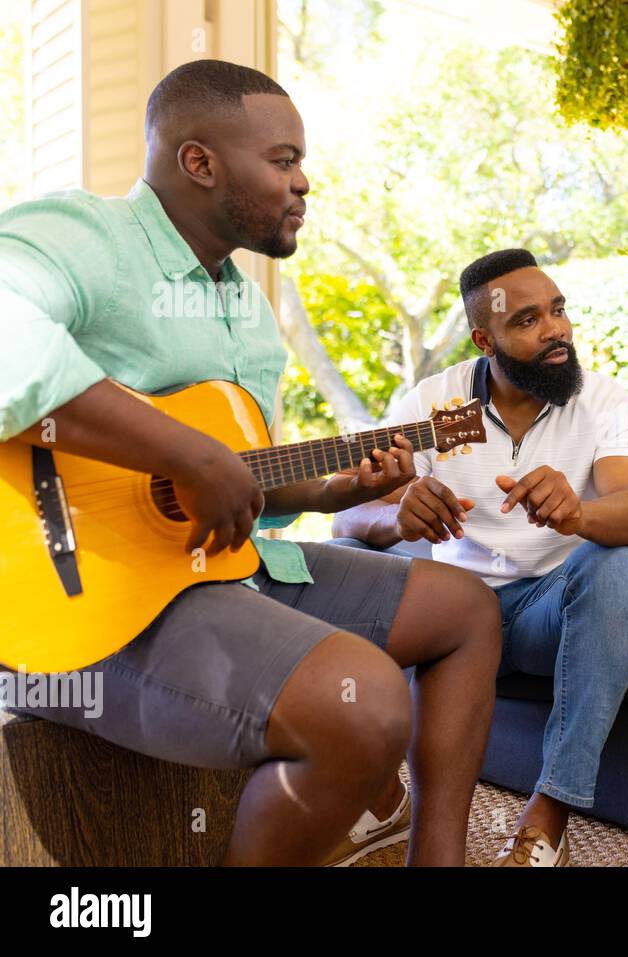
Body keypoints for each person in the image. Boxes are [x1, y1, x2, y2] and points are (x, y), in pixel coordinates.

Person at [0, 60, 503, 866]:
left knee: (467, 609)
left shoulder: (248, 309)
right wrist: (177, 449)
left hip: (222, 567)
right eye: (284, 160)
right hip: (85, 594)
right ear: (199, 162)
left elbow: (243, 488)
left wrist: (342, 482)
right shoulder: (86, 237)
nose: (304, 182)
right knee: (365, 704)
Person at [332, 248, 628, 866]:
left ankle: (551, 812)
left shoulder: (607, 402)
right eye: (528, 320)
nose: (555, 329)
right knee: (337, 561)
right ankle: (380, 791)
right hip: (451, 616)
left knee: (615, 565)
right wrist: (395, 517)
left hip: (547, 611)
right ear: (485, 339)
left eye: (558, 311)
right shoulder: (433, 401)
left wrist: (578, 514)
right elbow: (347, 514)